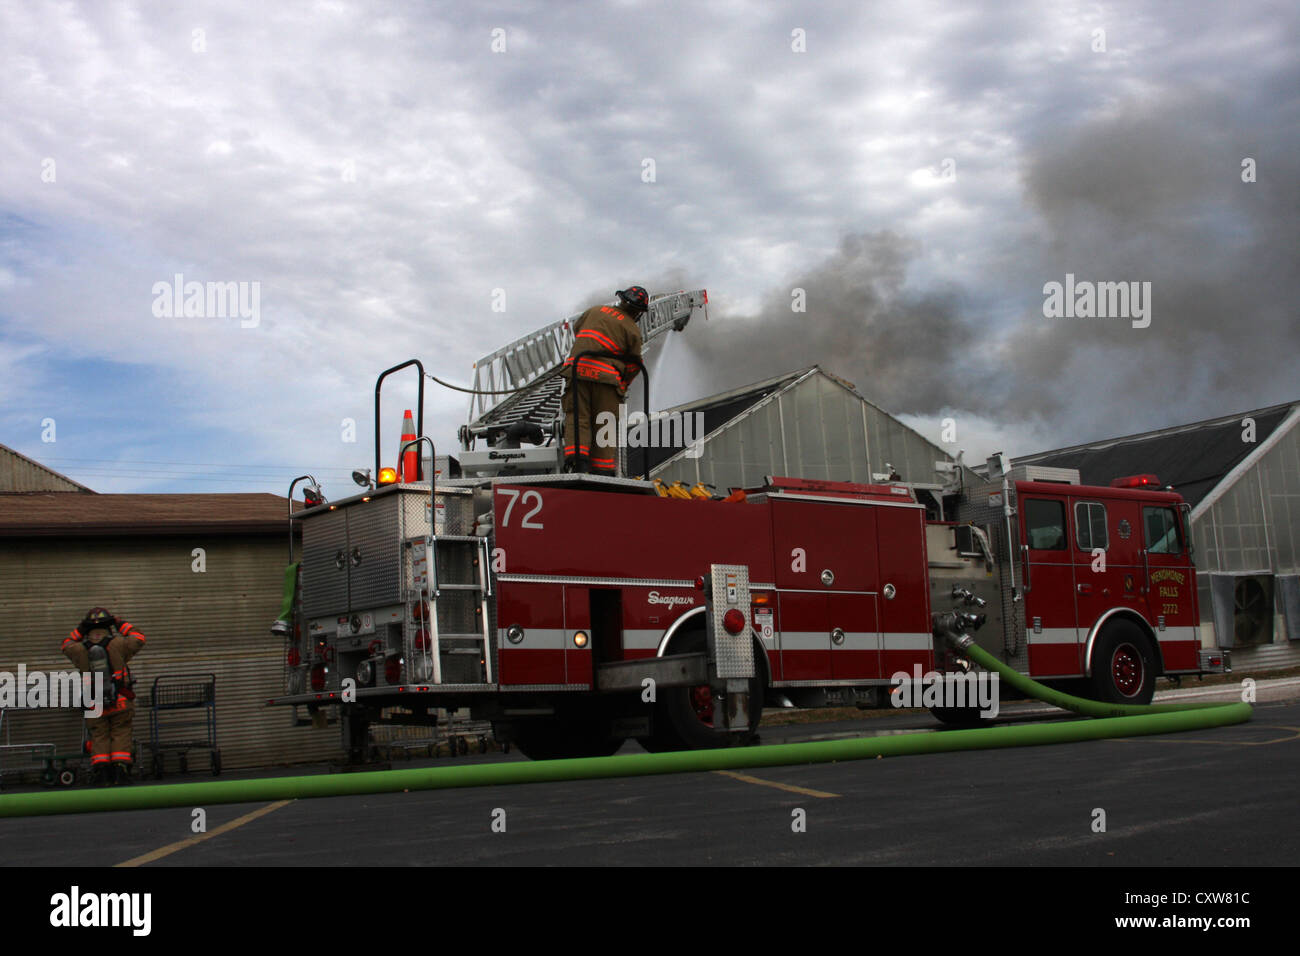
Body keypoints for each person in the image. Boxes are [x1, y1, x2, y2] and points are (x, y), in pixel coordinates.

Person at [562, 286, 647, 475]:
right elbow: (634, 364)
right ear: (639, 312)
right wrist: (623, 384)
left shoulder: (594, 310)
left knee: (578, 417)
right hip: (607, 379)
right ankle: (602, 471)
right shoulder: (632, 328)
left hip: (577, 371)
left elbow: (579, 331)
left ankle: (578, 462)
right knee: (605, 422)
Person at [61, 607, 146, 786]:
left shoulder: (78, 649)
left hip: (94, 704)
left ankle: (101, 773)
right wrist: (120, 623)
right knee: (121, 733)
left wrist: (81, 629)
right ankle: (120, 770)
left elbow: (65, 644)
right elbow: (139, 638)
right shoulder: (119, 644)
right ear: (109, 627)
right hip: (121, 701)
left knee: (99, 736)